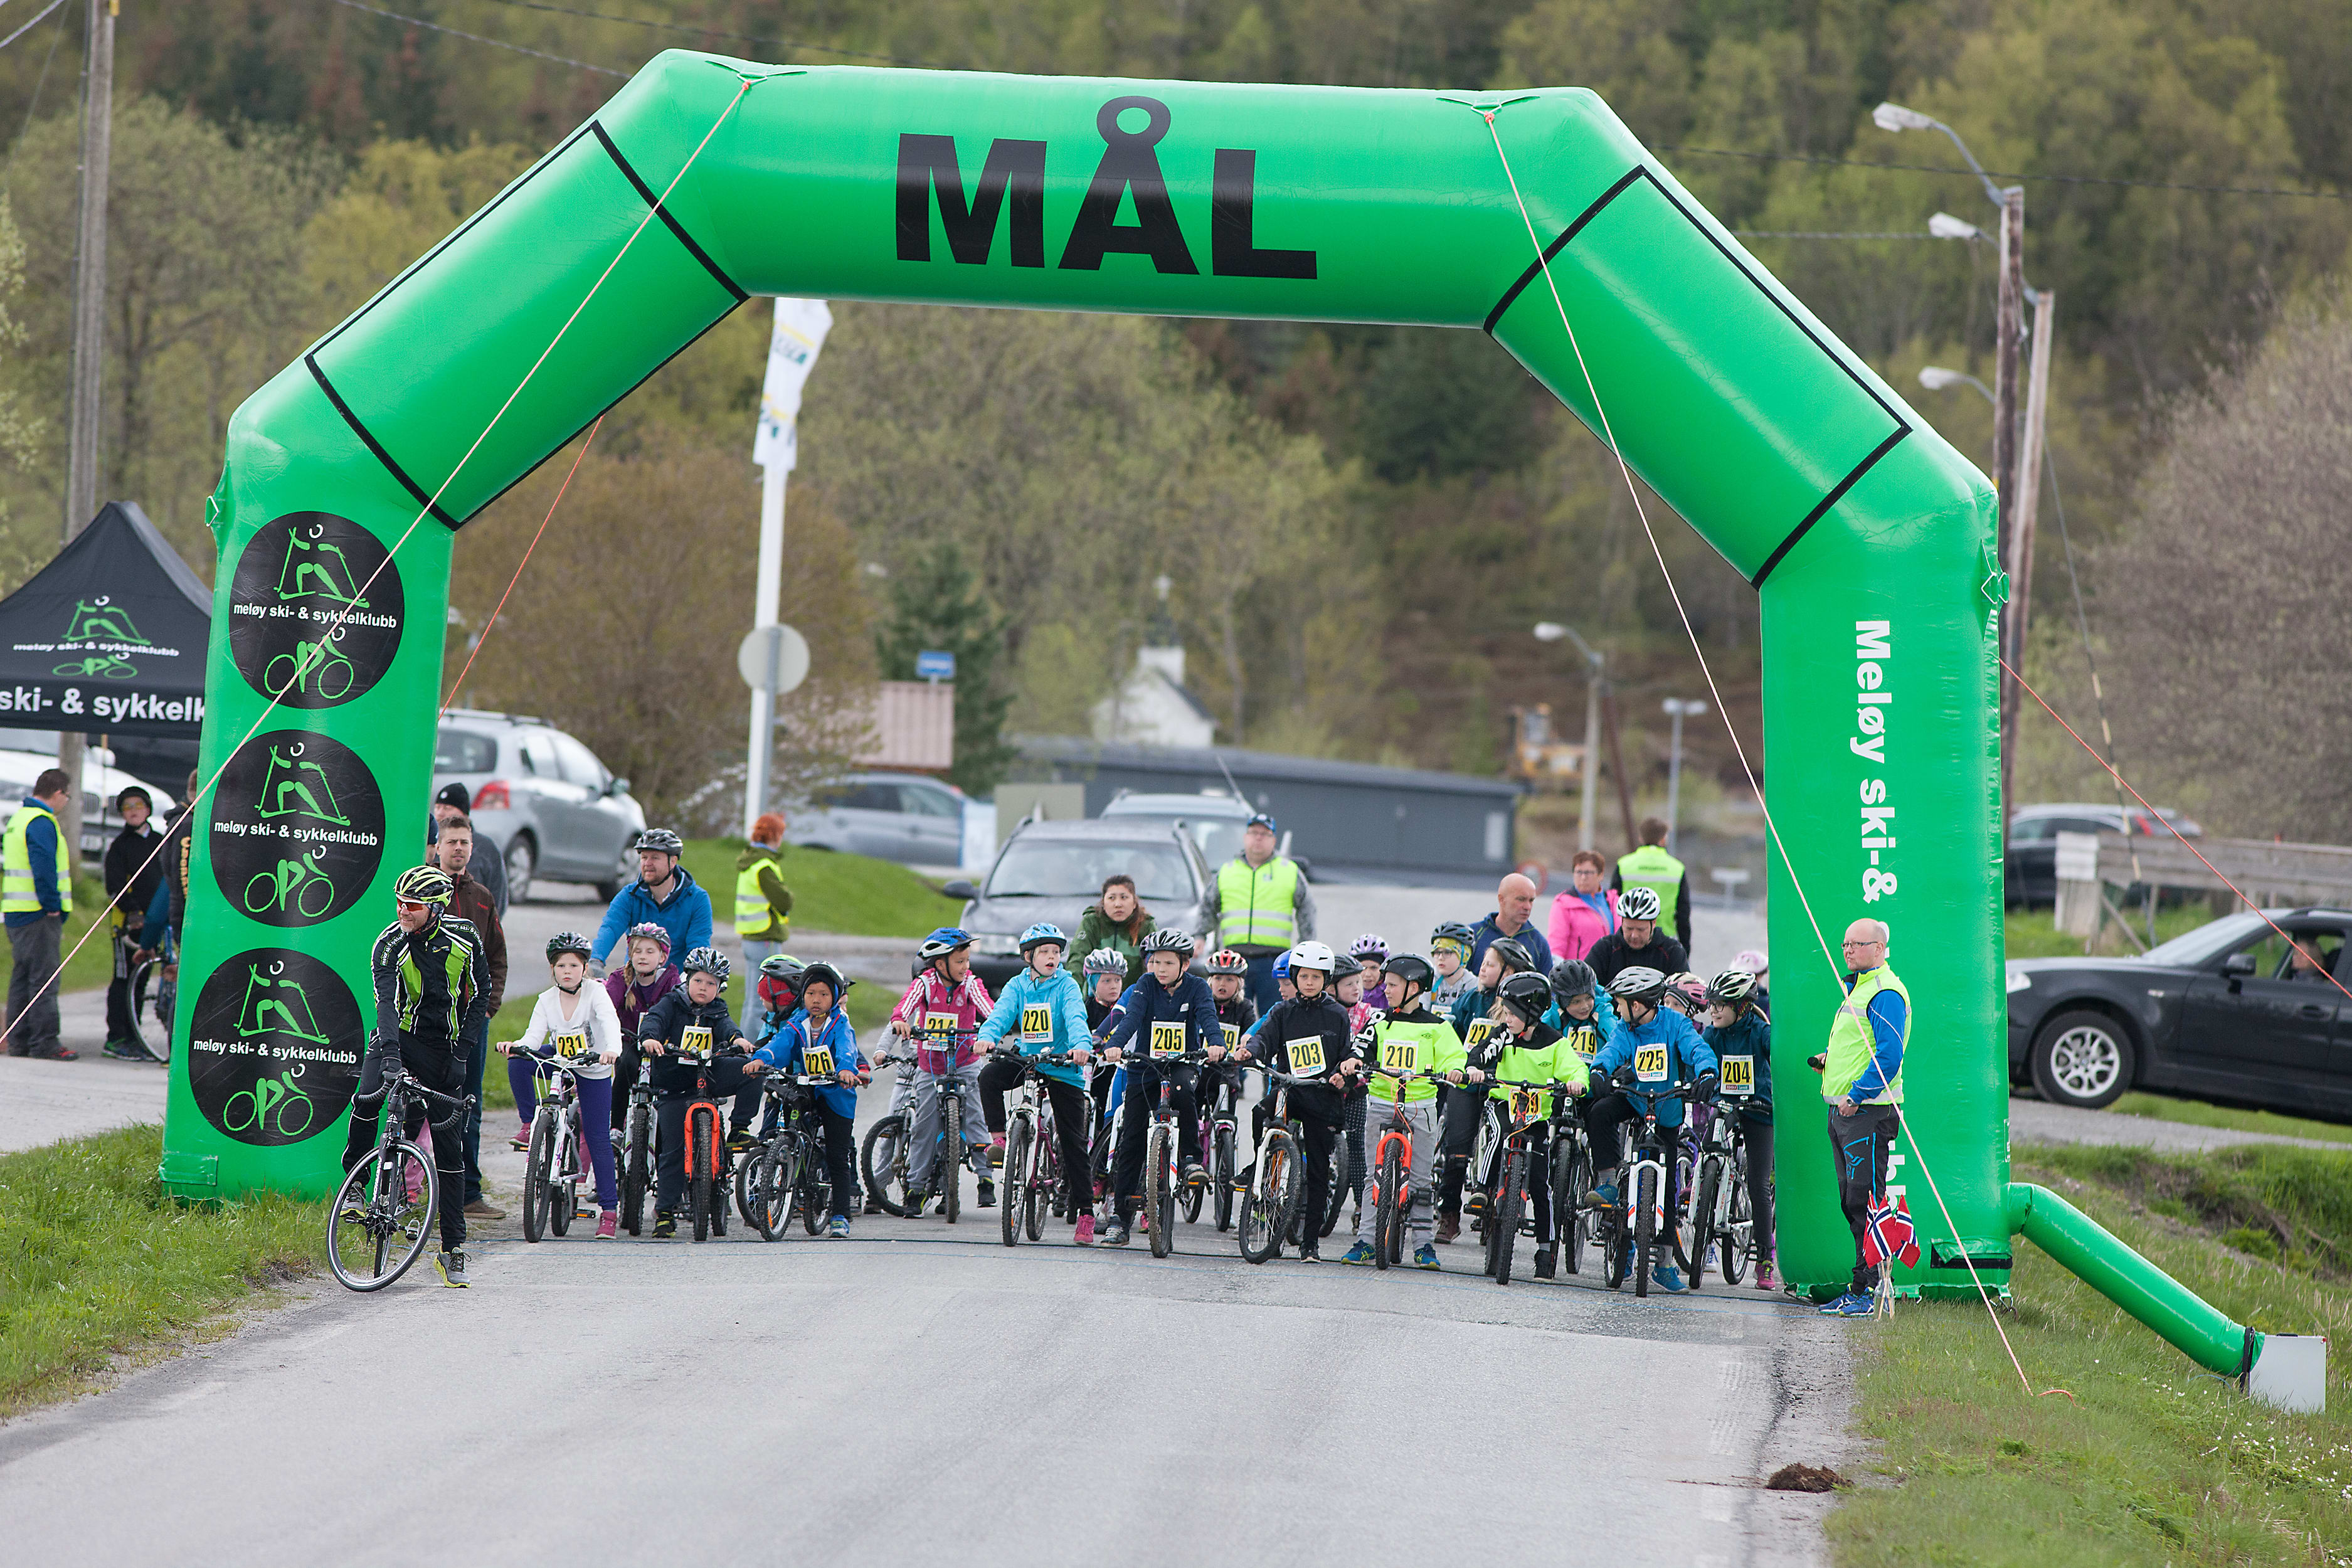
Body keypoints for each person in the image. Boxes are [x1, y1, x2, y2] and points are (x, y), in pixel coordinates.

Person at [345, 866, 488, 1286]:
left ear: (436, 908)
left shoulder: (466, 937)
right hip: (399, 1036)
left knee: (449, 1150)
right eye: (399, 903)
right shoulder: (389, 943)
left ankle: (453, 1248)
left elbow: (481, 994)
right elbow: (385, 1005)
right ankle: (356, 1185)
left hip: (445, 1047)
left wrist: (462, 1053)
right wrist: (391, 1055)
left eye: (412, 905)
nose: (402, 911)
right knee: (367, 1097)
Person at [1584, 965, 1719, 1294]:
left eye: (1621, 1003)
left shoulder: (1675, 1024)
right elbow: (1611, 1050)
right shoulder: (1625, 1027)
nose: (1617, 1009)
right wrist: (1599, 1070)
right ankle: (1608, 1183)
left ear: (1638, 1003)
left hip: (1666, 1107)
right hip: (1634, 1099)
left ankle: (1664, 1265)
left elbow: (1697, 1049)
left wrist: (1706, 1072)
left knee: (1668, 1187)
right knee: (1599, 1113)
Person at [1096, 928, 1223, 1245]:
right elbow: (1131, 1019)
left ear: (1185, 963)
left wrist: (1216, 1043)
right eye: (1156, 962)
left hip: (1181, 1063)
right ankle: (1120, 1218)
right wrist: (1114, 1045)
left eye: (1168, 963)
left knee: (1184, 1091)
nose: (1160, 969)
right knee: (1132, 1138)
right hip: (1145, 1066)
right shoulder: (1145, 985)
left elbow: (1208, 1018)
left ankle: (1191, 1159)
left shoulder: (1197, 988)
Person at [975, 924, 1099, 1244]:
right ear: (1029, 956)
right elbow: (1000, 1015)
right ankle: (1001, 1139)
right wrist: (987, 1037)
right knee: (989, 1077)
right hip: (1028, 1060)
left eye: (1056, 952)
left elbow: (1076, 1017)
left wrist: (1081, 1046)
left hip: (1062, 1066)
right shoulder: (1017, 985)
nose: (1052, 957)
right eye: (1045, 952)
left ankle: (1086, 1212)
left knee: (1073, 1141)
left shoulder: (1067, 985)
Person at [1341, 953, 1466, 1269]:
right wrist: (1354, 1060)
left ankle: (1423, 1245)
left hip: (1419, 1108)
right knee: (1373, 1176)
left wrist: (1455, 1069)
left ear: (1414, 988)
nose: (1386, 990)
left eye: (1393, 985)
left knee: (1421, 1180)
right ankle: (1366, 1241)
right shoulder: (1379, 1021)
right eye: (1386, 984)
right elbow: (1362, 1046)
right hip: (1381, 1104)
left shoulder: (1437, 1027)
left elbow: (1455, 1056)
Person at [497, 931, 625, 1239]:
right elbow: (533, 1037)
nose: (567, 971)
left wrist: (611, 1051)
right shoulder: (546, 999)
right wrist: (517, 1046)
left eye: (574, 965)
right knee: (518, 1062)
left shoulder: (596, 992)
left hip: (592, 1065)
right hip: (560, 1060)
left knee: (597, 1137)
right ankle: (529, 1125)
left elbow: (611, 1024)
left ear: (585, 969)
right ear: (552, 969)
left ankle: (609, 1212)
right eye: (561, 966)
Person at [1235, 940, 1357, 1263]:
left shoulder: (1337, 1015)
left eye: (1316, 977)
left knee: (1318, 1170)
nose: (1309, 982)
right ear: (1295, 978)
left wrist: (1342, 1075)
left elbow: (1346, 1054)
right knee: (1260, 1112)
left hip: (1321, 1095)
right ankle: (1261, 1165)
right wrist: (1251, 1052)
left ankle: (1310, 1243)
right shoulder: (1282, 1011)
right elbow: (1264, 1039)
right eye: (1304, 976)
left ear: (1326, 980)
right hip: (1288, 1090)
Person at [1814, 918, 1908, 1316]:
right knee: (1853, 1201)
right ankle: (1861, 1286)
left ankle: (1868, 1291)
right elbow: (1862, 1045)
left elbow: (1889, 1054)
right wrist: (1830, 1060)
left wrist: (1856, 1094)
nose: (1848, 950)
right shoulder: (1861, 987)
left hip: (1866, 1113)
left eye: (1857, 944)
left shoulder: (1885, 991)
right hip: (1846, 1114)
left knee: (1866, 1201)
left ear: (1879, 949)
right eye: (1845, 944)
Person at [637, 946, 758, 1238]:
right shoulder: (671, 1002)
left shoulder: (717, 1009)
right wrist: (650, 1039)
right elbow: (654, 1020)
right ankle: (665, 1213)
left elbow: (728, 1027)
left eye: (711, 983)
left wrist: (738, 1040)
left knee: (752, 1071)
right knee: (673, 1149)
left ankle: (739, 1129)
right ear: (687, 980)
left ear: (720, 987)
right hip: (675, 1084)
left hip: (708, 1075)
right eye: (699, 981)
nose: (704, 988)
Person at [1464, 970, 1579, 1277]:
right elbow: (1481, 1053)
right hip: (1503, 1104)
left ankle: (1546, 1249)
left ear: (1532, 1014)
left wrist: (1577, 1082)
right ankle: (1483, 1188)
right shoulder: (1502, 1035)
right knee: (1499, 1133)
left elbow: (1573, 1068)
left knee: (1541, 1183)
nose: (1507, 1018)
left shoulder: (1555, 1042)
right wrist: (1475, 1068)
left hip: (1536, 1117)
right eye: (1505, 1012)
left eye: (1513, 1013)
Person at [749, 961, 868, 1238]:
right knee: (792, 1128)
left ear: (834, 997)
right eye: (811, 993)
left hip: (835, 1092)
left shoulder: (840, 1023)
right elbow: (780, 1044)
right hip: (806, 1088)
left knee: (837, 1154)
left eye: (824, 994)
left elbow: (847, 1049)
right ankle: (792, 1164)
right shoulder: (797, 1022)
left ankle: (840, 1214)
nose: (816, 1000)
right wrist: (761, 1059)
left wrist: (846, 1070)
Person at [432, 813, 508, 1222]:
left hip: (471, 1022)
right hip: (427, 1022)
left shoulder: (482, 898)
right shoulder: (422, 891)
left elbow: (497, 957)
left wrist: (488, 1007)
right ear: (438, 847)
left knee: (469, 1105)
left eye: (465, 842)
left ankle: (468, 1193)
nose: (458, 848)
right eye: (452, 842)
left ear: (472, 847)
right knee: (419, 1104)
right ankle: (408, 1189)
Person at [890, 926, 997, 1212]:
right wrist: (900, 1019)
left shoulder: (971, 983)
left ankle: (985, 1178)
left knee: (976, 1116)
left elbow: (990, 1010)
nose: (966, 966)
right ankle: (916, 1189)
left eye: (967, 960)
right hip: (931, 1065)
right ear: (940, 964)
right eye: (960, 961)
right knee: (924, 1126)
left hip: (965, 1062)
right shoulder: (925, 983)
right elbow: (905, 1005)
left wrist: (992, 1031)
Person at [1702, 966, 1776, 1291]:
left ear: (1743, 1007)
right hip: (1726, 1106)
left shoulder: (1761, 1032)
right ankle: (1701, 1187)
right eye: (1712, 1004)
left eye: (1722, 1005)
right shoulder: (1712, 1035)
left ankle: (1765, 1259)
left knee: (1758, 1184)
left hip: (1760, 1109)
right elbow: (1698, 1059)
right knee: (1710, 1143)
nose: (1714, 1011)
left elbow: (1780, 1056)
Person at [1205, 812, 1316, 1016]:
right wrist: (1200, 936)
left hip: (1274, 962)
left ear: (1274, 840)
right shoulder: (1228, 871)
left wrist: (1306, 946)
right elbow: (1208, 905)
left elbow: (1307, 909)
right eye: (1254, 833)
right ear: (1245, 837)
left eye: (1265, 834)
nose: (1258, 838)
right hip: (1234, 962)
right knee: (1231, 1017)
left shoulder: (1289, 871)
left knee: (1274, 1018)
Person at [3, 770, 76, 1060]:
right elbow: (43, 865)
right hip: (38, 912)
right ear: (58, 792)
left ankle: (19, 1041)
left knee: (22, 979)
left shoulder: (19, 819)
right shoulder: (41, 822)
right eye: (67, 796)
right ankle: (44, 1042)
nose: (67, 802)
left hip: (16, 911)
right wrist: (52, 904)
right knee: (44, 980)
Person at [590, 829, 712, 972]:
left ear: (673, 861)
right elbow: (610, 928)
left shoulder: (697, 898)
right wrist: (596, 960)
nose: (647, 863)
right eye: (644, 857)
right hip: (636, 978)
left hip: (678, 980)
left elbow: (698, 945)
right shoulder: (629, 895)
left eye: (655, 857)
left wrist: (694, 974)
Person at [102, 786, 165, 1060]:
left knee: (141, 981)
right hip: (128, 926)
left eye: (138, 805)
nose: (133, 811)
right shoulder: (120, 847)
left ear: (148, 809)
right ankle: (117, 1038)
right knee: (124, 980)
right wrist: (133, 911)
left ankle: (135, 1036)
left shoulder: (161, 841)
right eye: (127, 807)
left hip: (155, 923)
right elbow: (114, 887)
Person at [601, 921, 681, 1142]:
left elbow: (677, 1011)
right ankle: (616, 1126)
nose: (643, 957)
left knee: (668, 1078)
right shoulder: (619, 979)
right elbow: (605, 1010)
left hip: (660, 1043)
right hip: (629, 1039)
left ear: (662, 957)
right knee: (626, 1065)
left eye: (650, 952)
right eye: (637, 951)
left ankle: (666, 1134)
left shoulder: (671, 980)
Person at [1582, 886, 1689, 988]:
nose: (1634, 935)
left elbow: (1683, 992)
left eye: (1641, 930)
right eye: (1629, 928)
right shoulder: (1605, 949)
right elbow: (1585, 986)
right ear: (1622, 922)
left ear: (1654, 923)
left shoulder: (1673, 951)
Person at [1614, 816, 1692, 951]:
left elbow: (1613, 903)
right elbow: (1683, 913)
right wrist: (1685, 949)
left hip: (1629, 940)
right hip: (1665, 942)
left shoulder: (1624, 865)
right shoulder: (1676, 868)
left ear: (1641, 838)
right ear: (1663, 839)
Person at [428, 783, 506, 915]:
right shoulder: (429, 845)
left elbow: (498, 896)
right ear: (439, 848)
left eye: (447, 808)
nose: (440, 813)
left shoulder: (486, 849)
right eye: (437, 807)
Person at [734, 813, 795, 976]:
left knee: (753, 990)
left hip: (750, 936)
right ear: (775, 836)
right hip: (766, 935)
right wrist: (789, 897)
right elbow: (783, 901)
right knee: (767, 989)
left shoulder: (750, 861)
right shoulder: (764, 866)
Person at [1071, 873, 1156, 987]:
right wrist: (1073, 992)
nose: (1118, 904)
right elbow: (1077, 959)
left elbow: (1156, 963)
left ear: (1135, 903)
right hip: (1096, 995)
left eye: (1124, 897)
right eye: (1112, 898)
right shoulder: (1092, 922)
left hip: (1134, 994)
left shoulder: (1146, 925)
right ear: (1103, 903)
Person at [1469, 871, 1554, 977]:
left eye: (1531, 900)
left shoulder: (1539, 944)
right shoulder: (1473, 936)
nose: (1527, 907)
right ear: (1501, 899)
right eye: (1521, 899)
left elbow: (1547, 985)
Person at [1546, 850, 1619, 963]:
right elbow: (1556, 947)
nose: (1583, 877)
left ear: (1601, 875)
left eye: (1588, 873)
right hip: (1580, 971)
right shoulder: (1563, 904)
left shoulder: (1613, 900)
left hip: (1610, 969)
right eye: (1579, 872)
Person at [750, 952, 805, 1046]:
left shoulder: (800, 1020)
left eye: (765, 996)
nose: (761, 999)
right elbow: (760, 1045)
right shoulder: (771, 1017)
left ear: (779, 998)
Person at [1428, 920, 1478, 1014]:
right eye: (1437, 952)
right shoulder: (1428, 980)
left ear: (1464, 956)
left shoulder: (1475, 985)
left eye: (1447, 952)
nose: (1440, 958)